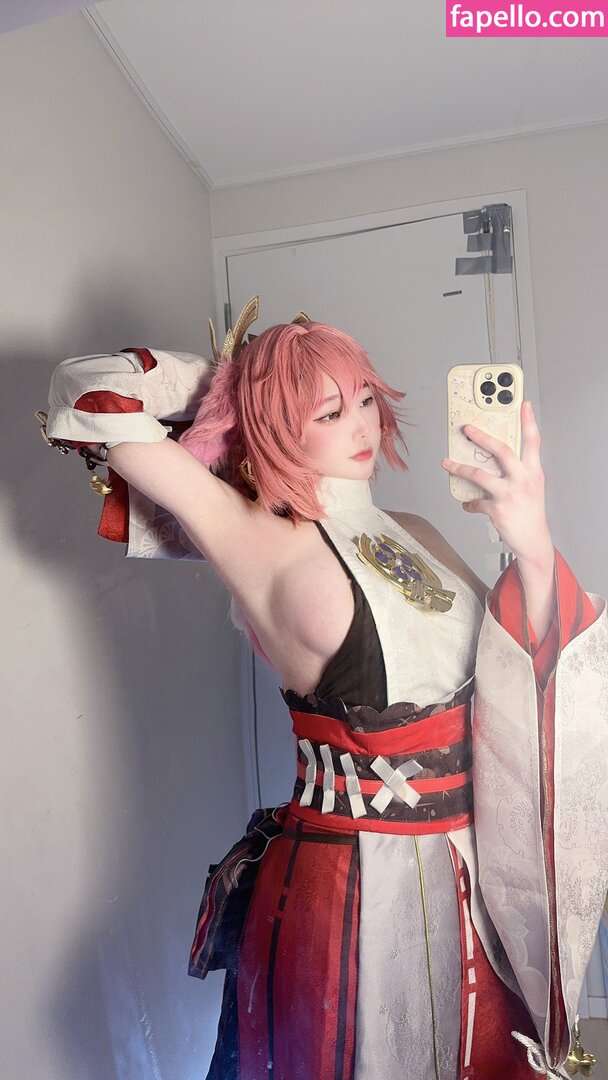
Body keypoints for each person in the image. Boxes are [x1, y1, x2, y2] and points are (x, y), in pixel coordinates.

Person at [40, 297, 607, 1080]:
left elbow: (525, 668)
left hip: (478, 870)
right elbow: (84, 393)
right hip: (342, 886)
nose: (362, 425)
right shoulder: (253, 538)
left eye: (365, 399)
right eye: (329, 411)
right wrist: (242, 384)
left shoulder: (417, 531)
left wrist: (533, 543)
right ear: (275, 424)